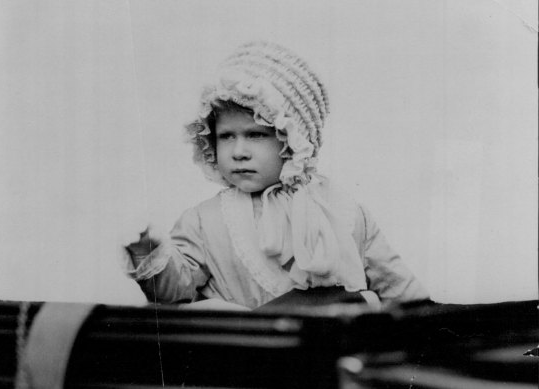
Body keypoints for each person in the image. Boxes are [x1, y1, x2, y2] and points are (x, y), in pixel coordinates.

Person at [123, 41, 429, 310]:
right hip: (252, 363)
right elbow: (175, 291)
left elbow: (403, 293)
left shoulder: (345, 212)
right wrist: (148, 253)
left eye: (255, 135)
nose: (238, 151)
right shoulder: (204, 221)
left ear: (293, 139)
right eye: (227, 136)